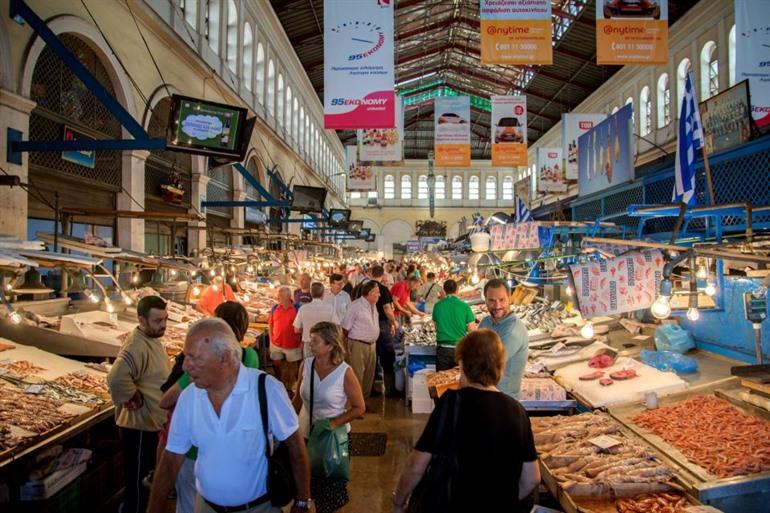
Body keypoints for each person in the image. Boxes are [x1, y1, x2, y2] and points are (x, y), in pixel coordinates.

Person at [147, 318, 313, 513]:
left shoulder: (266, 389)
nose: (185, 366)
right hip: (205, 507)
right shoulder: (189, 397)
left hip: (258, 509)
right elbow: (171, 460)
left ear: (224, 358)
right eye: (186, 357)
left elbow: (295, 445)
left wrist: (302, 501)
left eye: (195, 358)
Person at [392, 329, 540, 513]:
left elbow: (416, 465)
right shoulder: (517, 411)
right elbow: (532, 478)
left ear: (462, 364)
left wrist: (399, 502)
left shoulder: (450, 402)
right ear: (501, 366)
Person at [158, 301, 259, 513]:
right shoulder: (251, 357)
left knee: (189, 503)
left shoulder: (204, 368)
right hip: (237, 447)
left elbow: (166, 400)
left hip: (196, 450)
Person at [107, 296, 171, 513]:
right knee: (138, 482)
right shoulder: (136, 345)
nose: (162, 325)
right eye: (157, 321)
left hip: (152, 423)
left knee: (147, 480)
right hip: (139, 427)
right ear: (142, 321)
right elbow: (116, 378)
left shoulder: (152, 340)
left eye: (165, 319)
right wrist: (132, 396)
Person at [292, 322, 365, 513]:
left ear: (330, 345)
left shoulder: (344, 372)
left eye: (315, 341)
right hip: (307, 435)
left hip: (332, 439)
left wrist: (333, 423)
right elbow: (298, 400)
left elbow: (359, 408)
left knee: (331, 494)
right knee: (307, 488)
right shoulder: (306, 365)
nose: (309, 344)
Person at [477, 278, 529, 399]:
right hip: (484, 395)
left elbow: (490, 364)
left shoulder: (512, 330)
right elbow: (474, 350)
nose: (497, 306)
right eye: (492, 300)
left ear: (509, 298)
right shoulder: (486, 322)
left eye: (502, 300)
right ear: (485, 300)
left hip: (504, 400)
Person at [341, 280, 381, 401]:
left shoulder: (373, 305)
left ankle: (363, 402)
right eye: (377, 292)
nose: (379, 295)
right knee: (357, 375)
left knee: (369, 376)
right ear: (369, 293)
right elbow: (345, 328)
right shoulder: (356, 306)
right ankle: (355, 404)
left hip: (372, 345)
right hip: (358, 345)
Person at [431, 279, 477, 371]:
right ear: (457, 290)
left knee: (442, 381)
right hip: (460, 350)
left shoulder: (437, 306)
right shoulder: (465, 306)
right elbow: (472, 330)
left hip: (443, 350)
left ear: (444, 291)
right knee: (459, 380)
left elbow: (436, 327)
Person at [269, 286, 303, 393]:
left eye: (280, 296)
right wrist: (271, 338)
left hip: (293, 344)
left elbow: (302, 327)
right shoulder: (275, 308)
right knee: (276, 363)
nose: (278, 298)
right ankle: (280, 383)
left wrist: (301, 342)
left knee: (292, 367)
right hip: (276, 343)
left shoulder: (297, 309)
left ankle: (292, 388)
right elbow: (270, 325)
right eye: (278, 296)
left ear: (288, 297)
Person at [294, 282, 339, 358]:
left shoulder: (303, 308)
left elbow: (296, 330)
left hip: (309, 342)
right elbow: (336, 326)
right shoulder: (330, 308)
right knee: (324, 366)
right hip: (325, 343)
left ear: (311, 293)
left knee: (309, 366)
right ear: (323, 293)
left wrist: (306, 330)